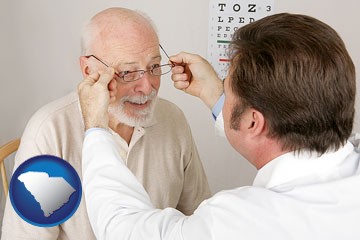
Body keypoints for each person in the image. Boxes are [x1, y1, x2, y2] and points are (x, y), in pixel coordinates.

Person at [78, 13, 360, 239]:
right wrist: (214, 94)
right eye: (127, 72)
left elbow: (122, 226)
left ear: (253, 120)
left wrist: (95, 128)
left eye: (227, 86)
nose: (146, 84)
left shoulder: (237, 225)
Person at [1, 7, 211, 240]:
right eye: (128, 72)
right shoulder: (50, 132)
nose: (148, 86)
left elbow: (199, 220)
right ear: (88, 70)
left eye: (153, 67)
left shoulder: (173, 120)